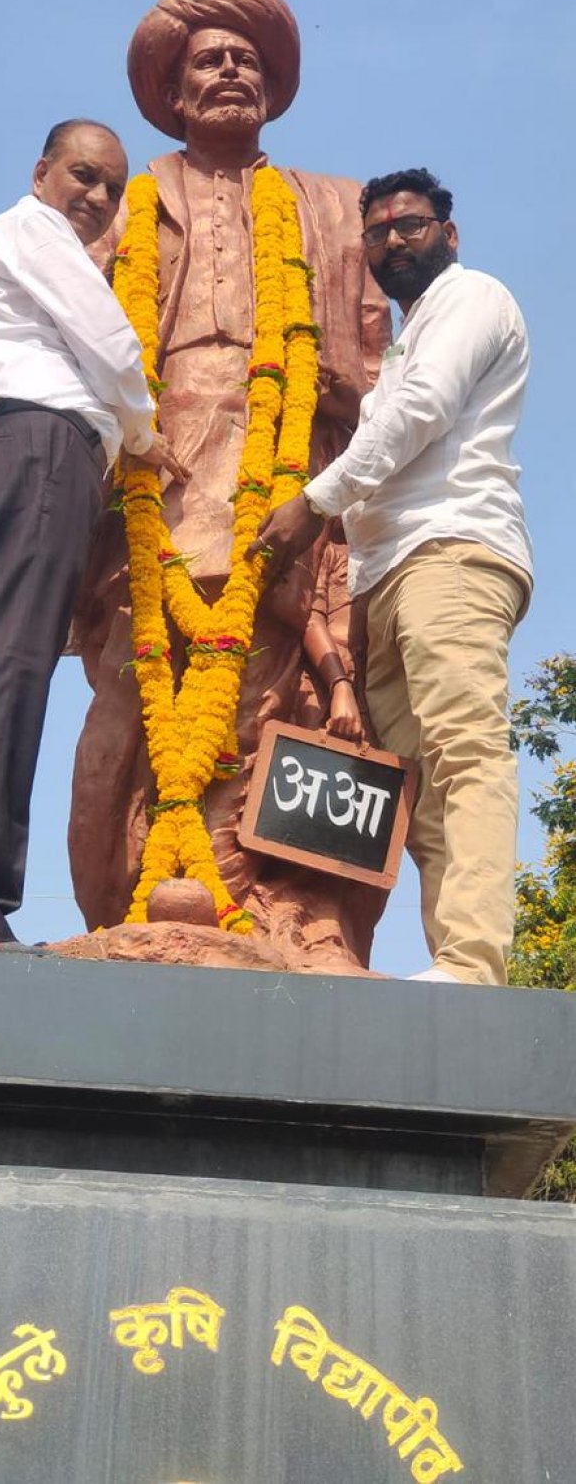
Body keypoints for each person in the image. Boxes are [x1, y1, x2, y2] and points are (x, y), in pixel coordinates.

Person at [67, 0, 393, 974]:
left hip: (288, 458)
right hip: (156, 466)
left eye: (246, 60)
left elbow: (380, 364)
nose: (230, 72)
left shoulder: (329, 207)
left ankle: (292, 914)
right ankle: (144, 892)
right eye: (209, 59)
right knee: (144, 682)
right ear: (172, 91)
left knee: (290, 685)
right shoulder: (128, 205)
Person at [0, 119, 186, 951]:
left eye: (110, 188)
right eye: (82, 176)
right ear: (41, 173)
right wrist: (139, 431)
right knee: (9, 677)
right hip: (46, 453)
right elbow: (110, 341)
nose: (95, 198)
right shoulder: (34, 230)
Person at [249, 167, 533, 986]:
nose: (392, 240)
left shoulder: (473, 299)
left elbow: (422, 414)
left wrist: (312, 503)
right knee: (419, 791)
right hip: (389, 576)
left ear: (449, 232)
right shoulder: (407, 339)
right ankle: (456, 959)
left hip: (452, 550)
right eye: (376, 232)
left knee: (464, 751)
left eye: (409, 224)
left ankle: (475, 963)